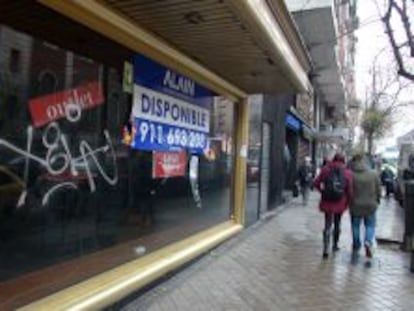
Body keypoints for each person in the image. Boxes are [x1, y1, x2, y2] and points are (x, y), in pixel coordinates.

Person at [314, 153, 353, 259]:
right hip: (340, 202)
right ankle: (335, 245)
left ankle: (325, 249)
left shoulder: (326, 169)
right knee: (337, 223)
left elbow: (316, 183)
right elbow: (349, 190)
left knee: (327, 224)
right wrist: (348, 202)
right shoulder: (347, 172)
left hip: (327, 201)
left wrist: (322, 191)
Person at [349, 153, 381, 265]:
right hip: (370, 205)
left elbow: (349, 190)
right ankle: (368, 241)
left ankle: (356, 244)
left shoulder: (351, 174)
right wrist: (378, 200)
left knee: (355, 225)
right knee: (370, 225)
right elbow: (378, 189)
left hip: (355, 204)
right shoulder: (373, 174)